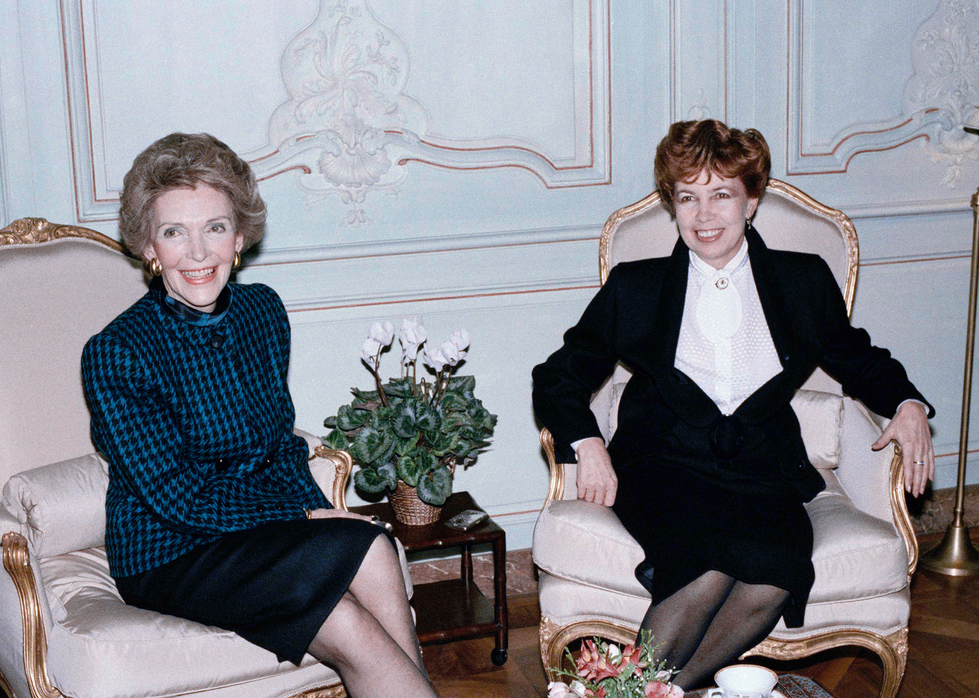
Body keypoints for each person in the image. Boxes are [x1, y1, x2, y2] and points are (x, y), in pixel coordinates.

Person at [531, 119, 935, 690]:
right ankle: (639, 691)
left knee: (774, 575)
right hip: (662, 465)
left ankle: (649, 691)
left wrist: (909, 402)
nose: (703, 215)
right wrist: (588, 441)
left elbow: (858, 357)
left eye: (721, 194)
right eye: (687, 198)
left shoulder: (801, 281)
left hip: (763, 470)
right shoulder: (636, 288)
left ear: (751, 200)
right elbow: (557, 377)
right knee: (705, 566)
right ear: (673, 206)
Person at [81, 133, 437, 698]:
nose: (198, 254)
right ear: (149, 246)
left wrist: (320, 513)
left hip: (260, 528)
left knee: (372, 542)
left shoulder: (262, 312)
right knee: (346, 621)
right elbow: (176, 496)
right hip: (170, 549)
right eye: (175, 232)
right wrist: (300, 517)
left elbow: (281, 446)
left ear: (240, 237)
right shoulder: (119, 351)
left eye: (215, 228)